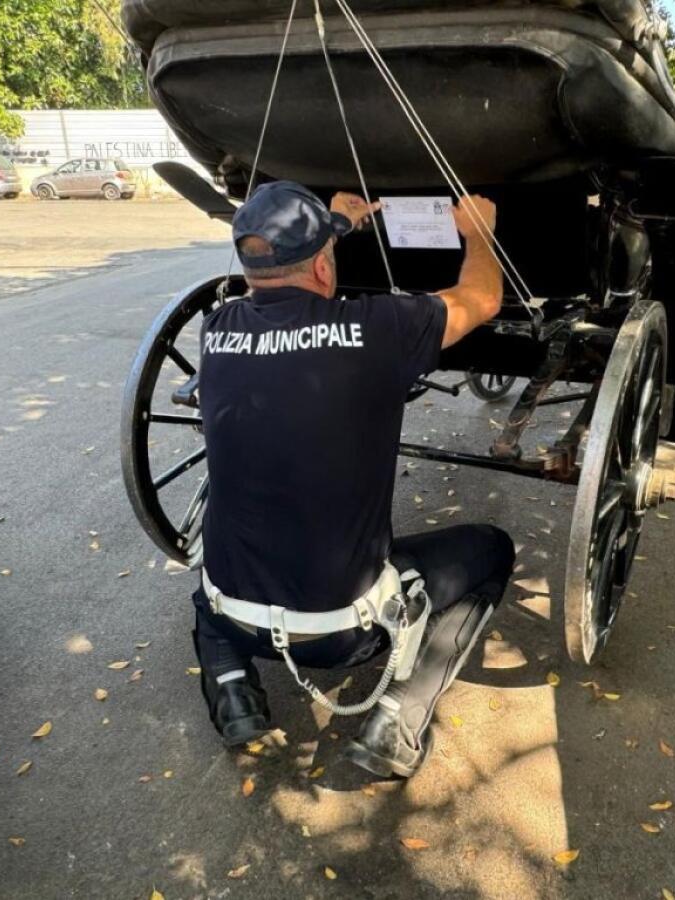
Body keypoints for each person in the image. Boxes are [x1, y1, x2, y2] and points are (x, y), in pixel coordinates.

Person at [193, 180, 514, 778]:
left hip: (229, 613)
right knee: (492, 548)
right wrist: (478, 236)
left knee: (209, 583)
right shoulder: (376, 329)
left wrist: (333, 224)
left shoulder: (218, 330)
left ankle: (234, 691)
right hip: (339, 637)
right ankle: (396, 717)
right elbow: (482, 298)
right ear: (322, 266)